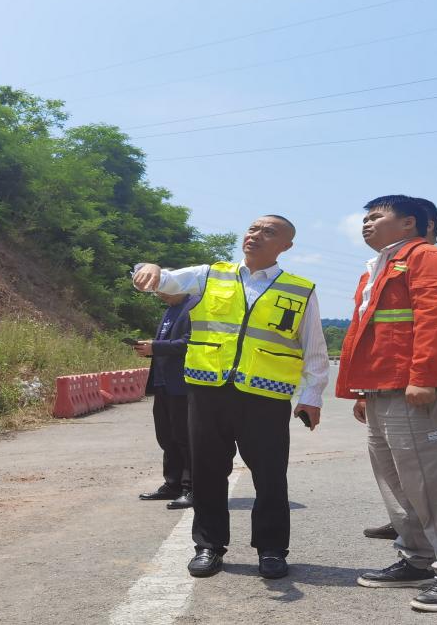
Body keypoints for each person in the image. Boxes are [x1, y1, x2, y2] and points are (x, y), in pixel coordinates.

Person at [131, 215, 328, 581]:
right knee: (207, 472)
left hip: (266, 396)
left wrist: (312, 396)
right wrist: (150, 268)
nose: (256, 235)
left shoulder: (300, 290)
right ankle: (208, 546)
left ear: (286, 245)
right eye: (253, 228)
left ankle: (271, 549)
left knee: (270, 476)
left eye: (269, 232)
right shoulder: (209, 275)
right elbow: (164, 279)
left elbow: (314, 347)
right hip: (208, 391)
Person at [335, 195, 437, 613]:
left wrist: (424, 377)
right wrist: (362, 390)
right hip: (383, 388)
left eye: (376, 216)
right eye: (364, 218)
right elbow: (370, 333)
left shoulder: (428, 258)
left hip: (416, 388)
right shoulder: (379, 266)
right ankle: (417, 559)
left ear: (409, 223)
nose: (366, 224)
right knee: (397, 481)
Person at [136, 291, 197, 510]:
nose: (160, 294)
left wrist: (156, 347)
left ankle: (191, 488)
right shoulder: (170, 309)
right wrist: (149, 348)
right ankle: (173, 484)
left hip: (182, 384)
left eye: (164, 289)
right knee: (166, 436)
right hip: (163, 382)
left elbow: (191, 342)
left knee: (185, 438)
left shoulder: (194, 306)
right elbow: (164, 342)